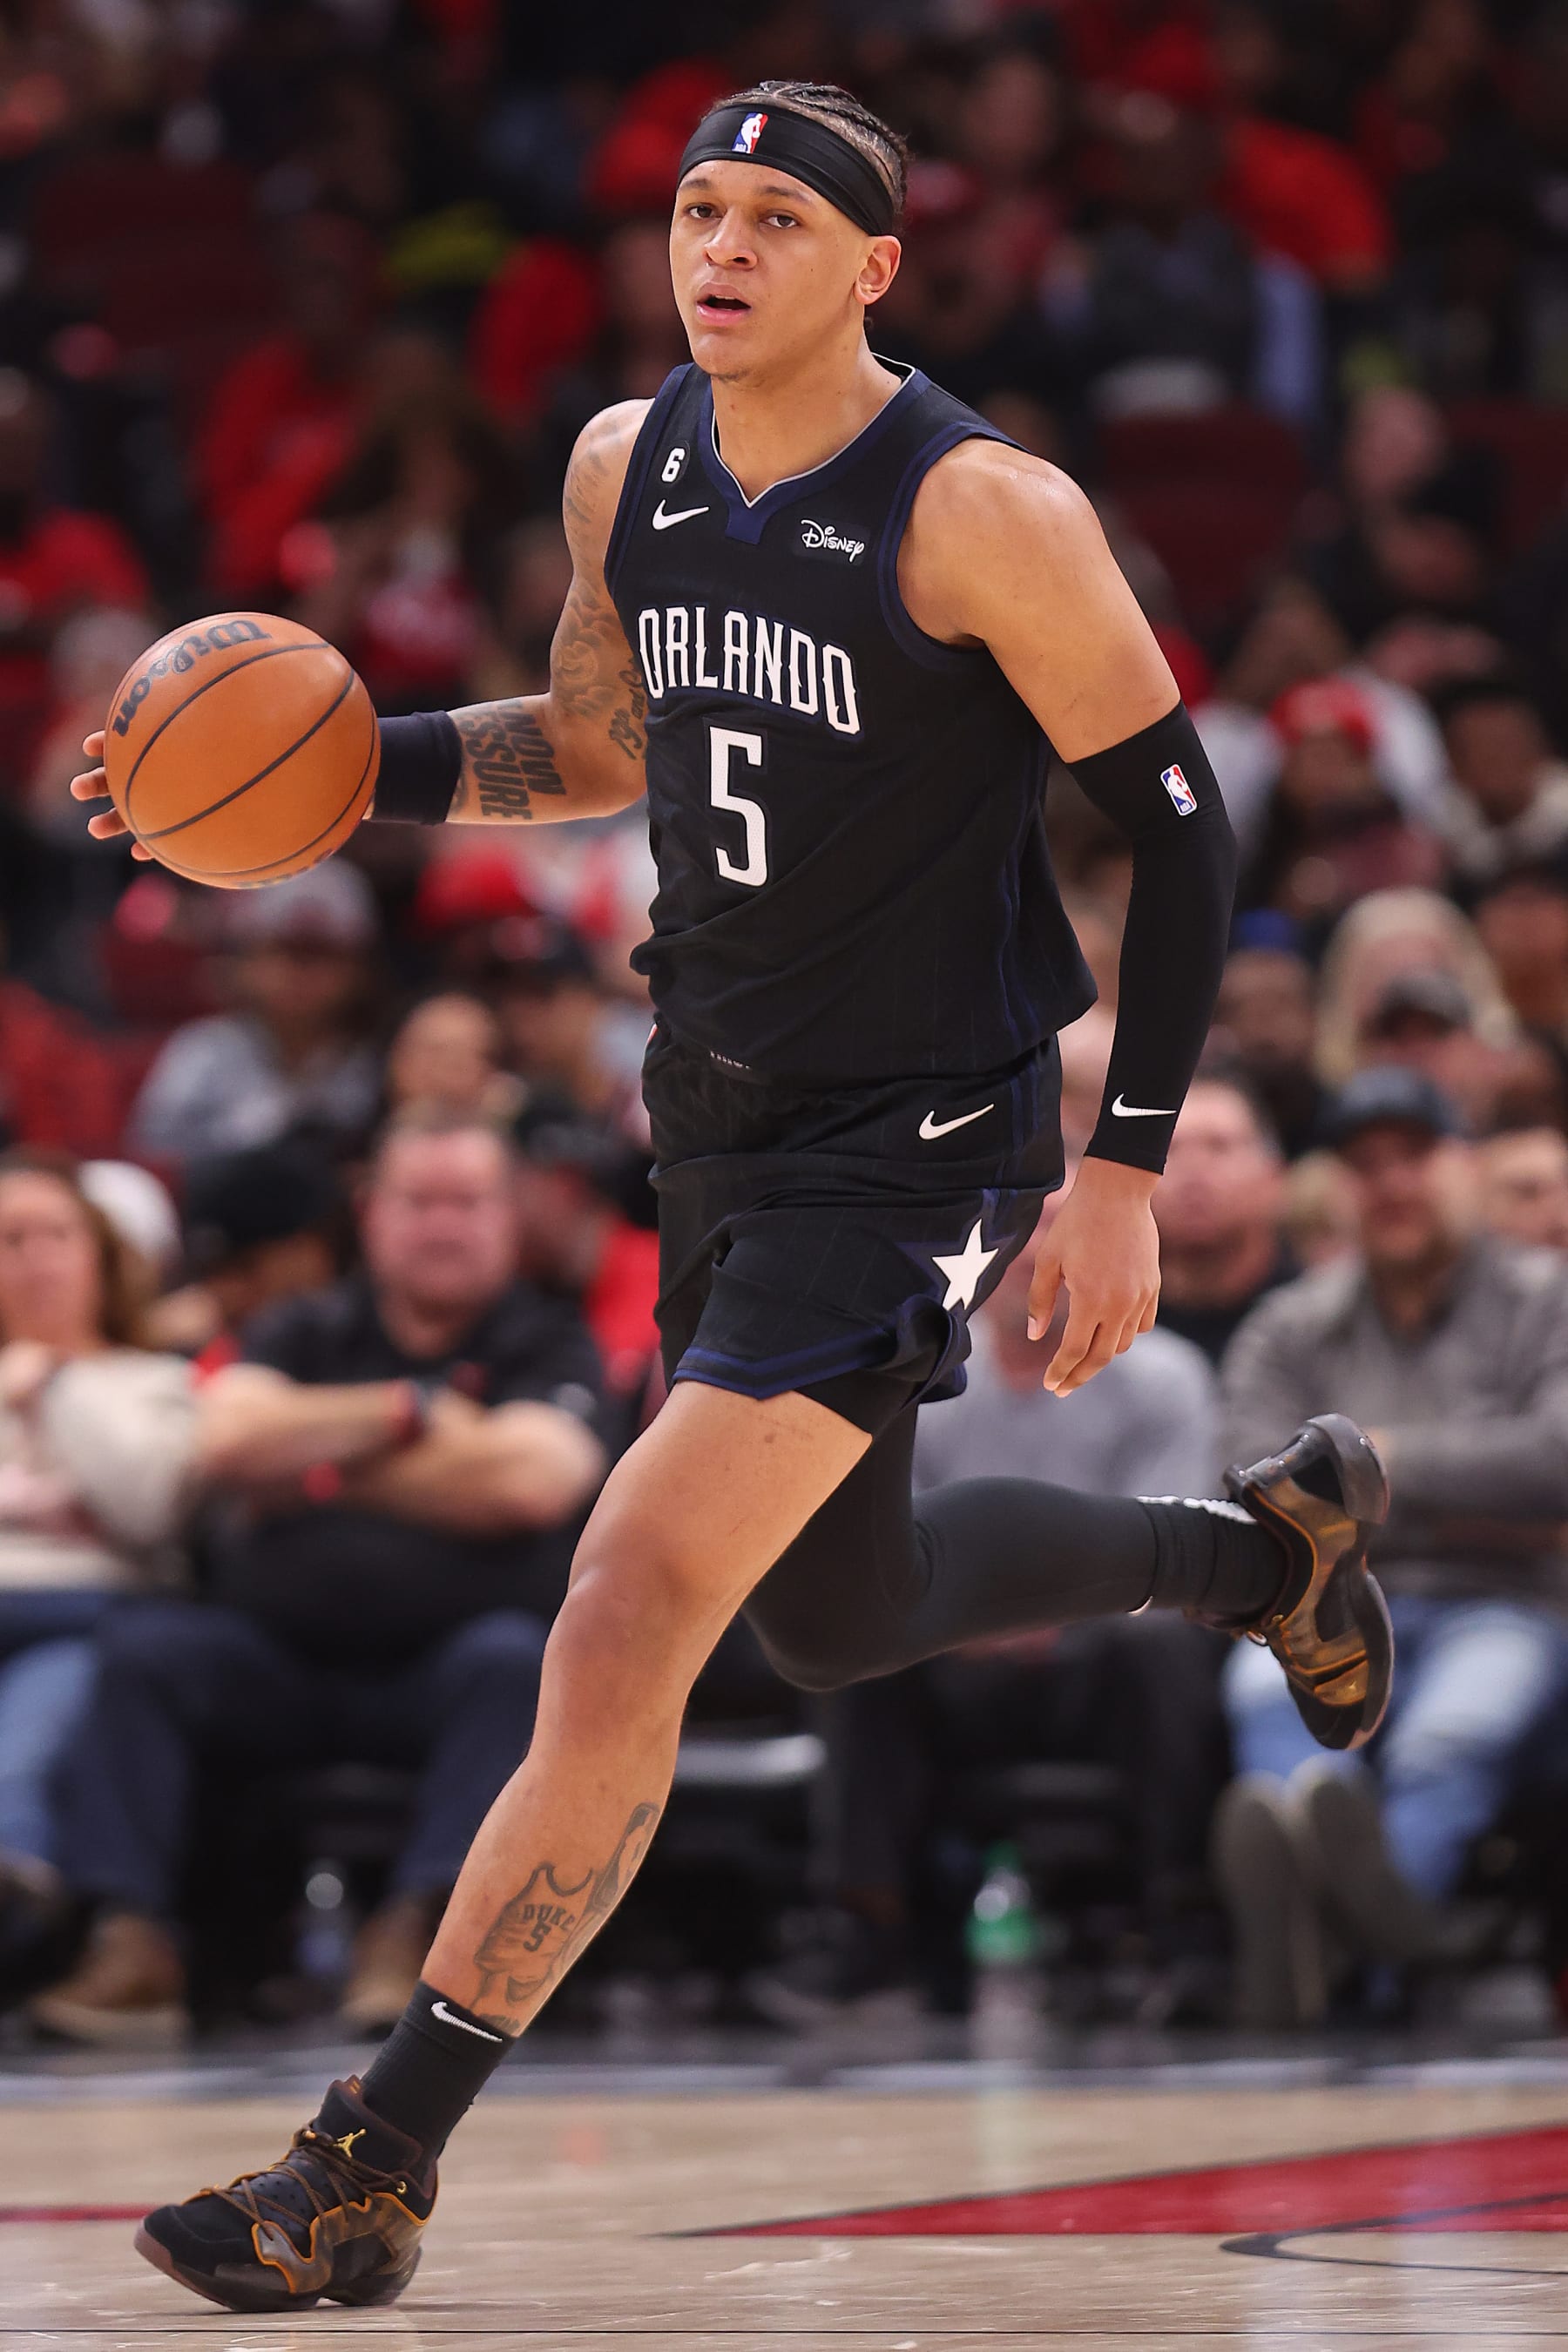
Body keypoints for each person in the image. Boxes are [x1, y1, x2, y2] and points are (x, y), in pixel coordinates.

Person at [75, 79, 1390, 2314]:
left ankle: (369, 2155)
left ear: (877, 266)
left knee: (629, 1599)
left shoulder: (983, 508)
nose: (725, 244)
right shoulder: (628, 461)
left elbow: (1178, 831)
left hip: (921, 1138)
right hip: (718, 1106)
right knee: (838, 1612)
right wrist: (323, 781)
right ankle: (1267, 1553)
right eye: (701, 204)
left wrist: (1129, 1163)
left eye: (782, 215)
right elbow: (604, 743)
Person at [31, 1108, 606, 2048]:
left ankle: (423, 1941)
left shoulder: (547, 1337)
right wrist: (417, 1413)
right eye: (419, 1201)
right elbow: (224, 1437)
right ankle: (129, 1943)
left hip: (452, 1666)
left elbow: (532, 1480)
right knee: (145, 1653)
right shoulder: (304, 1324)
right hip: (280, 1661)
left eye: (468, 1201)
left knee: (519, 1667)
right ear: (372, 1214)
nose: (444, 1223)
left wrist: (320, 1461)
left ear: (509, 1216)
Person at [757, 1197, 1227, 2026]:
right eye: (1024, 1226)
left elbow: (1181, 1545)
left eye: (1059, 1226)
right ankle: (866, 1930)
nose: (1038, 1249)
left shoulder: (1165, 1378)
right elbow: (885, 1543)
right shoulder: (921, 1376)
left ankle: (1171, 1926)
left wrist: (1020, 1609)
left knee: (1166, 1655)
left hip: (1097, 1657)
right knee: (846, 1644)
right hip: (958, 1658)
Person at [1214, 1067, 1568, 2027]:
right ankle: (1357, 1942)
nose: (1393, 1183)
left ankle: (1324, 1954)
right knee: (1262, 1700)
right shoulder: (1293, 1321)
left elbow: (1557, 1457)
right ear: (1339, 1189)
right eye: (1366, 1165)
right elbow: (1237, 1473)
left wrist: (1371, 1465)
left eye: (1415, 1157)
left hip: (1505, 1601)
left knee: (1456, 1732)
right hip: (1321, 1597)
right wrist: (1465, 1487)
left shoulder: (1546, 1299)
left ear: (1466, 1166)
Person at [0, 1153, 196, 1966]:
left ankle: (15, 1868)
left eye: (58, 1234)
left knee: (48, 1708)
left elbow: (147, 1510)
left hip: (88, 1612)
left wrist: (58, 1387)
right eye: (11, 1239)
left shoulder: (157, 1381)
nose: (37, 1257)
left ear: (102, 1256)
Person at [128, 864, 384, 1169]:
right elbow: (152, 1155)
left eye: (319, 955)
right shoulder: (201, 1050)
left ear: (357, 970)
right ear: (245, 961)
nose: (298, 976)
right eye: (281, 952)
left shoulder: (381, 1059)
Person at [1154, 1076, 1294, 1365]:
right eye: (1168, 1149)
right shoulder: (1104, 1329)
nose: (1193, 1170)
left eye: (1219, 1147)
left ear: (1273, 1176)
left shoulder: (1320, 1322)